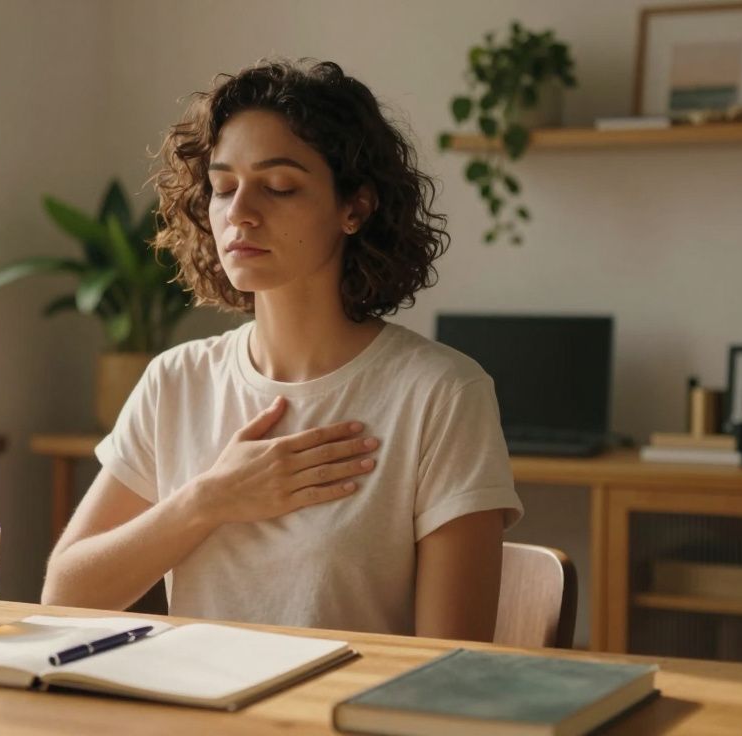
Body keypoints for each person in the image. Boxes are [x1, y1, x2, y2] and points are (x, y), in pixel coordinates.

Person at [40, 59, 523, 641]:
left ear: (354, 208)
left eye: (279, 187)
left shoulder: (441, 394)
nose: (239, 213)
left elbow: (451, 660)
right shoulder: (176, 380)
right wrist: (209, 500)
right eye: (223, 188)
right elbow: (64, 596)